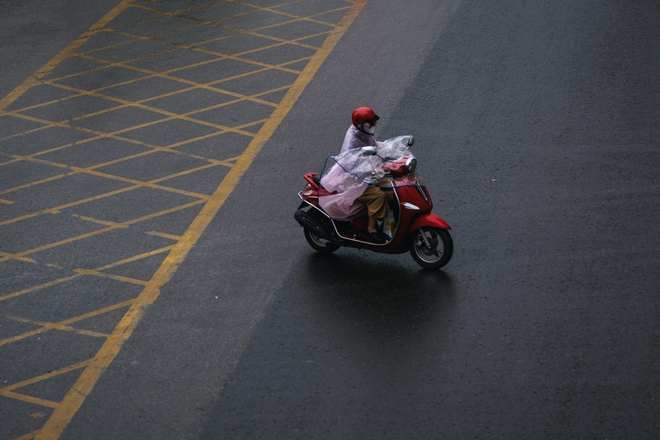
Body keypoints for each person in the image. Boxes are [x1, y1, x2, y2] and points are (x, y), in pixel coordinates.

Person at [319, 107, 393, 243]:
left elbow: (375, 147)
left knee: (393, 188)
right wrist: (373, 170)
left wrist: (392, 150)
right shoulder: (352, 141)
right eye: (369, 124)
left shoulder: (362, 133)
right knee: (378, 196)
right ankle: (371, 230)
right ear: (361, 125)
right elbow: (352, 165)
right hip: (352, 179)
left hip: (365, 174)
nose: (372, 126)